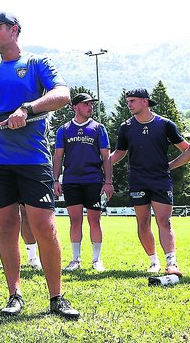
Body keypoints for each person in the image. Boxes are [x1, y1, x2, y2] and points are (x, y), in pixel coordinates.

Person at [0, 11, 78, 319]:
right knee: (7, 226)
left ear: (14, 30)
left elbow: (63, 94)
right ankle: (14, 294)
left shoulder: (38, 63)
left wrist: (27, 108)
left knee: (43, 225)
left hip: (33, 158)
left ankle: (57, 297)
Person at [110, 88, 190, 277]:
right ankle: (153, 260)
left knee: (164, 222)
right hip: (137, 180)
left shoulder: (165, 124)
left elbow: (188, 150)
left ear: (145, 101)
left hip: (160, 180)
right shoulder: (125, 127)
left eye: (132, 101)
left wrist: (174, 165)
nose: (129, 105)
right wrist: (97, 164)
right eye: (127, 102)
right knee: (143, 223)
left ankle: (172, 263)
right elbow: (119, 154)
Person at [53, 93, 113, 272]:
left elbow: (106, 157)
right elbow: (58, 156)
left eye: (91, 104)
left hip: (93, 181)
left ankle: (96, 260)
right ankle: (75, 259)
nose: (90, 107)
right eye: (86, 104)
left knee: (95, 220)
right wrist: (56, 180)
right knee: (75, 220)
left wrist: (108, 181)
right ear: (76, 107)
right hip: (71, 181)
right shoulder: (63, 129)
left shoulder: (98, 128)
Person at [0, 120, 42, 268]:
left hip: (25, 168)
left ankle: (32, 257)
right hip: (0, 173)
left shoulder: (24, 118)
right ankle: (7, 258)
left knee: (26, 214)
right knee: (5, 219)